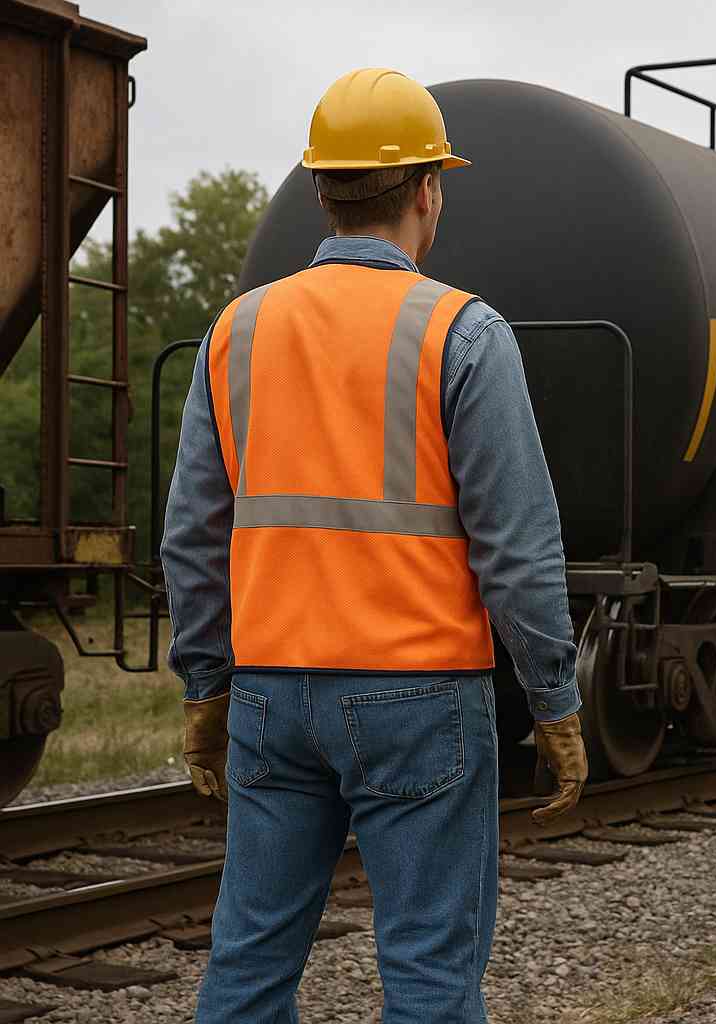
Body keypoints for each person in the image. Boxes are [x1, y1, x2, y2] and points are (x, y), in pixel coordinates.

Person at [162, 67, 588, 1023]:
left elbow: (191, 537)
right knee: (430, 976)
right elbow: (518, 550)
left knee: (247, 964)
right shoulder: (462, 332)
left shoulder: (237, 331)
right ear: (429, 190)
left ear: (323, 189)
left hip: (271, 694)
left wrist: (206, 685)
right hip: (419, 697)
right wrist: (555, 701)